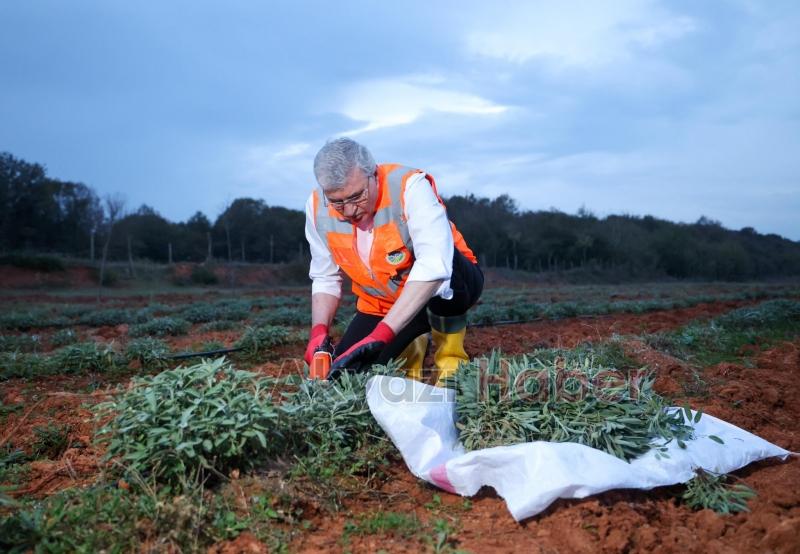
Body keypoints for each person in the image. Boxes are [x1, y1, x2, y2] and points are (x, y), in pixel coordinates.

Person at [303, 137, 484, 384]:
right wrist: (318, 331)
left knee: (446, 270)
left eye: (356, 197)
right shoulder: (316, 209)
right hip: (383, 301)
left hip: (449, 287)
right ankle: (411, 340)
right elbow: (325, 276)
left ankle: (451, 362)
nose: (349, 211)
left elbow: (434, 264)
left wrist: (383, 333)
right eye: (337, 201)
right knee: (345, 377)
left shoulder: (410, 187)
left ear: (373, 175)